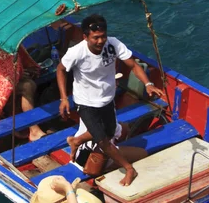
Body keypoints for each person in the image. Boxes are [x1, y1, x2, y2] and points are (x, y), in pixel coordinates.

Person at [56, 14, 165, 186]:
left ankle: (76, 140)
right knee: (103, 141)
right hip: (86, 104)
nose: (100, 41)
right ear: (85, 37)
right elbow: (61, 70)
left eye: (103, 36)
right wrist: (64, 98)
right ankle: (129, 169)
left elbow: (133, 65)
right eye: (95, 38)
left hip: (106, 100)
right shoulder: (76, 52)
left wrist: (148, 84)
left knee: (109, 131)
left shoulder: (113, 44)